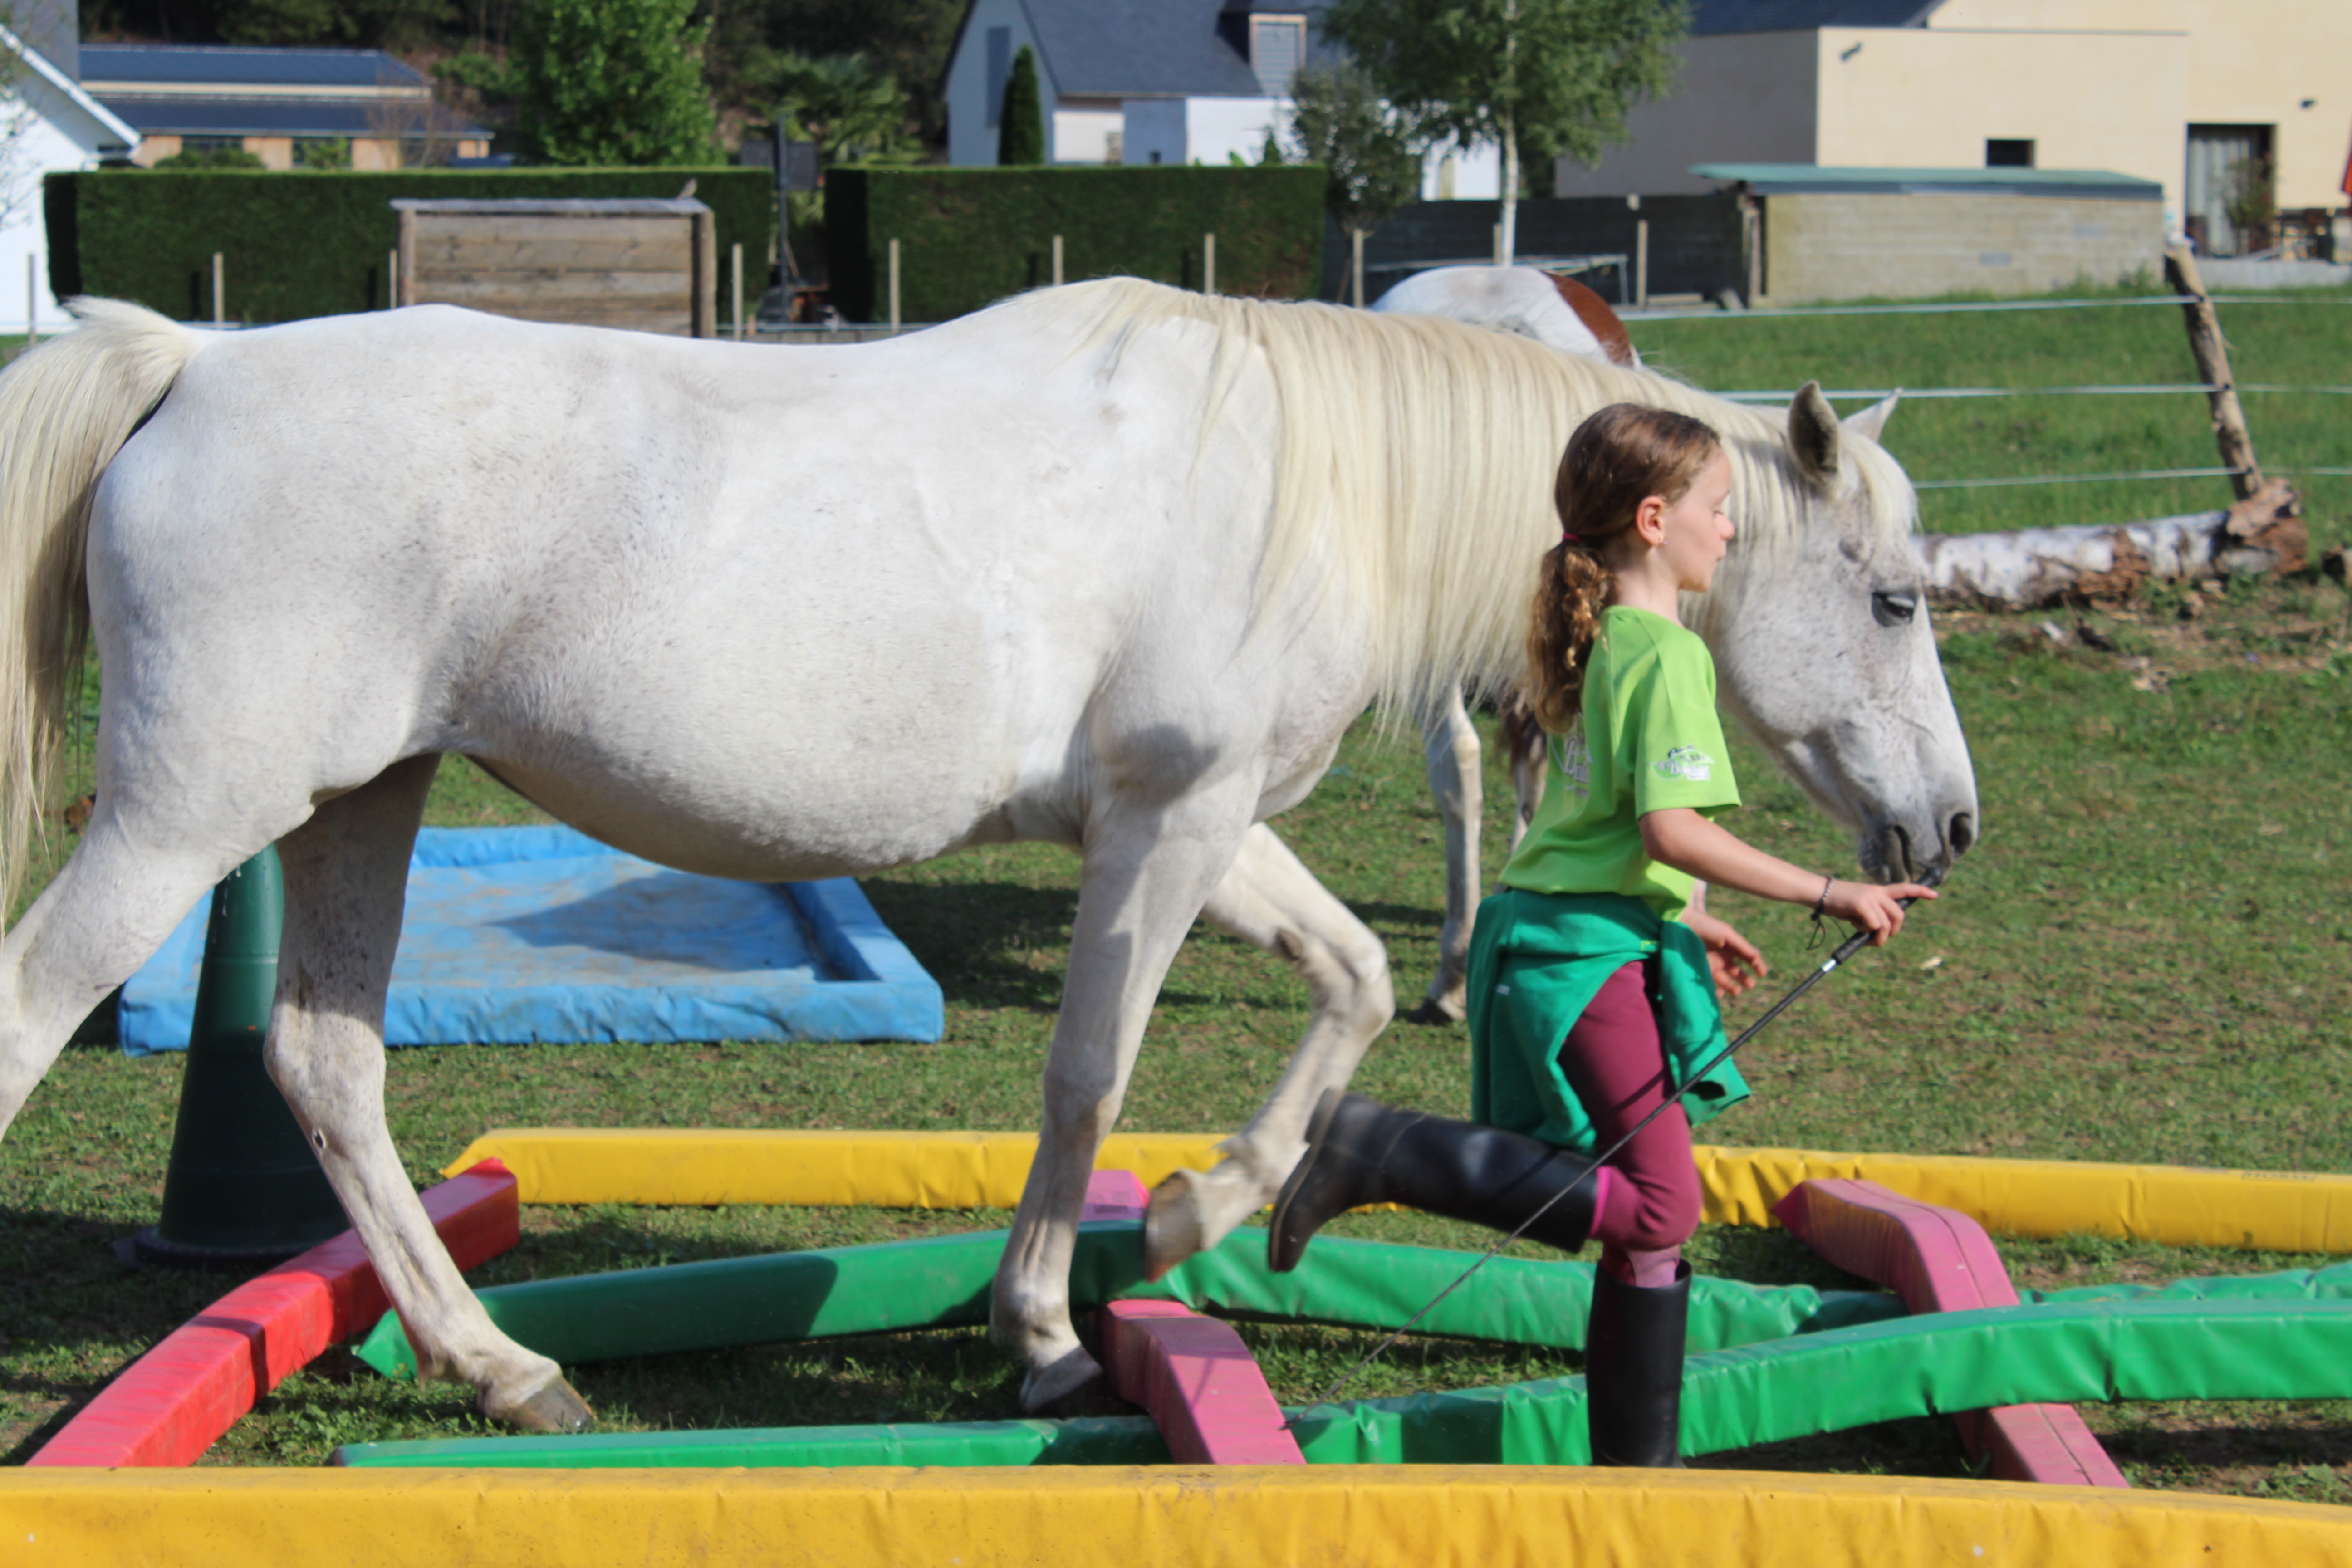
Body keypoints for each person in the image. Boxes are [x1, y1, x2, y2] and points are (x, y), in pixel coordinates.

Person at [1267, 402, 1936, 1467]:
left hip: (1566, 936)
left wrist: (1689, 912)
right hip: (1577, 955)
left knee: (1651, 1219)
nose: (1732, 531)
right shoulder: (1664, 657)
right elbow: (1671, 824)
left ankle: (1639, 1463)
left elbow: (1609, 826)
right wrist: (1829, 892)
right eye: (1721, 511)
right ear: (1658, 519)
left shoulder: (1613, 636)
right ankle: (1376, 1146)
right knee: (1663, 1201)